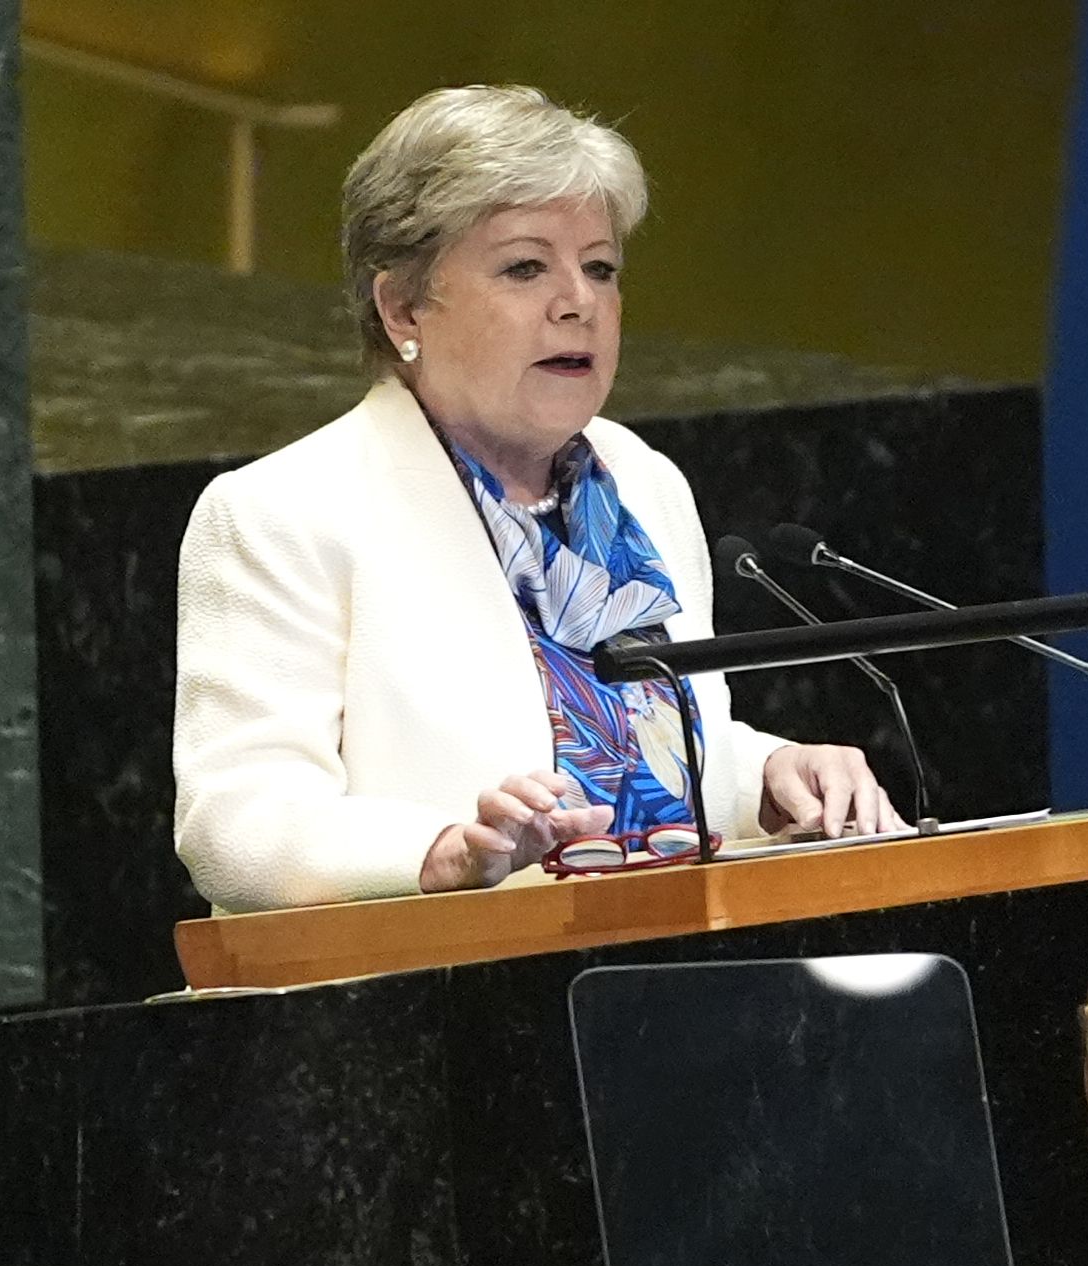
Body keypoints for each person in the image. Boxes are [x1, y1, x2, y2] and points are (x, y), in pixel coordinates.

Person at [174, 84, 901, 914]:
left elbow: (635, 758)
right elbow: (235, 821)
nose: (577, 300)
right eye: (526, 266)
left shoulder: (641, 481)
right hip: (415, 1003)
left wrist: (769, 777)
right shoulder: (285, 511)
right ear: (404, 304)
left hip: (663, 973)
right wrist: (439, 853)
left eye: (600, 267)